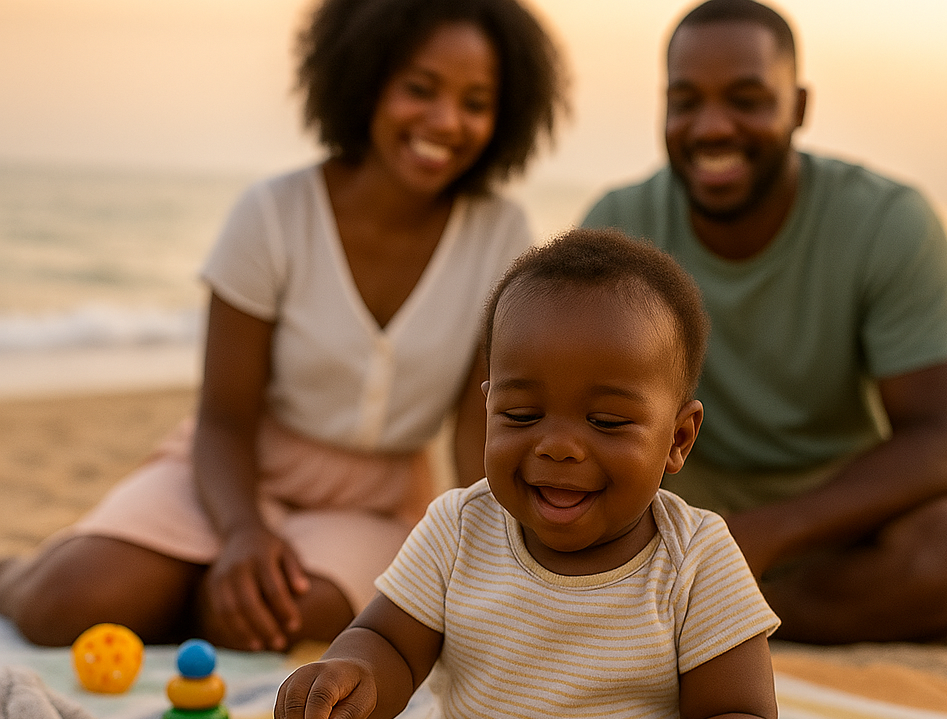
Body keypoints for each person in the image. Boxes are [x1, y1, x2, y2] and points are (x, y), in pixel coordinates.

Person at [274, 229, 808, 719]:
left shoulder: (695, 556)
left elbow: (739, 718)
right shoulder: (459, 526)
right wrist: (350, 674)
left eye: (608, 423)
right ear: (489, 406)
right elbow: (389, 643)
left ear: (678, 438)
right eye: (523, 415)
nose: (558, 447)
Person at [0, 0, 566, 652]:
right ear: (364, 80)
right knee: (67, 604)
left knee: (268, 618)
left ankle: (183, 590)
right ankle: (18, 569)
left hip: (373, 503)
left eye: (476, 102)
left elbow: (476, 433)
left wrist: (490, 562)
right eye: (419, 89)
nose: (445, 121)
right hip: (233, 470)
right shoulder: (272, 214)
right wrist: (242, 531)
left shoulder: (500, 237)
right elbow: (223, 419)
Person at [582, 0, 947, 644]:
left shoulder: (888, 222)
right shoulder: (618, 227)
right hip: (671, 508)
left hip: (832, 517)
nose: (712, 126)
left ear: (799, 107)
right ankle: (702, 609)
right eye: (686, 101)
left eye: (747, 99)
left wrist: (761, 537)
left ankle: (729, 616)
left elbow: (945, 442)